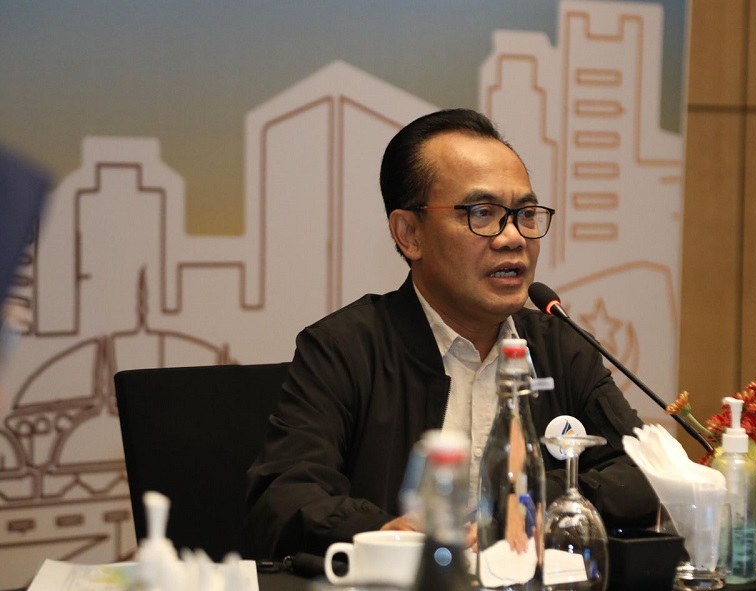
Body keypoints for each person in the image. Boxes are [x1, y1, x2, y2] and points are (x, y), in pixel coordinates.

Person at [245, 109, 658, 559]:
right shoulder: (344, 349)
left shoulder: (560, 346)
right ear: (409, 234)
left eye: (524, 214)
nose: (513, 238)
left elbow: (645, 471)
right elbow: (284, 499)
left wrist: (536, 499)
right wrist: (387, 533)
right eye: (482, 213)